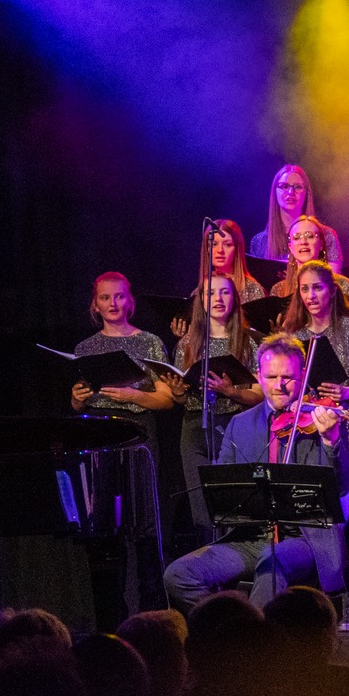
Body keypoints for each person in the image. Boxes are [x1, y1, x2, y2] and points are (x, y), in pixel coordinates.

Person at [161, 336, 347, 608]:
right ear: (259, 376)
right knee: (178, 574)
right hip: (251, 539)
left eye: (288, 377)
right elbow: (223, 486)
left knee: (271, 562)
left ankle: (257, 645)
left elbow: (341, 486)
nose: (280, 385)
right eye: (271, 376)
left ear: (304, 375)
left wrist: (330, 441)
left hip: (304, 540)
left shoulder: (321, 422)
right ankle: (235, 629)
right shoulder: (240, 424)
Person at [279, 262, 349, 617]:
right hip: (310, 432)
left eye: (317, 288)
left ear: (332, 290)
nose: (311, 296)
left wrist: (346, 390)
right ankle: (327, 608)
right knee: (324, 521)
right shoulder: (296, 335)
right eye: (304, 290)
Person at [172, 274, 264, 536]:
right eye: (210, 293)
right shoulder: (187, 343)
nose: (218, 299)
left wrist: (231, 391)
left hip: (235, 425)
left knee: (234, 503)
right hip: (194, 428)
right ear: (200, 300)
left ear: (235, 298)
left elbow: (260, 394)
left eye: (224, 292)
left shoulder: (249, 341)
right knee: (202, 507)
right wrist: (178, 392)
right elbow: (180, 397)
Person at [69, 272, 176, 416]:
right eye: (105, 298)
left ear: (130, 301)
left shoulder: (150, 342)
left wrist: (133, 396)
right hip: (96, 425)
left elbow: (167, 400)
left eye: (119, 296)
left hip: (137, 424)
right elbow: (79, 407)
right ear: (95, 305)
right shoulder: (84, 347)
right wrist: (77, 399)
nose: (112, 304)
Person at [249, 164, 344, 264]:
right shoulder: (259, 242)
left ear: (307, 193)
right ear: (275, 192)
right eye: (284, 186)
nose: (290, 192)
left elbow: (334, 278)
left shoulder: (326, 235)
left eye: (298, 187)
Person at [195, 219, 264, 303]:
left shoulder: (252, 290)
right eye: (214, 244)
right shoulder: (198, 293)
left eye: (227, 244)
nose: (220, 250)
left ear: (237, 249)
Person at [269, 215, 340, 296]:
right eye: (297, 237)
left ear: (321, 244)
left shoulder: (340, 285)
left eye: (309, 236)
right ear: (290, 247)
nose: (303, 242)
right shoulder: (279, 290)